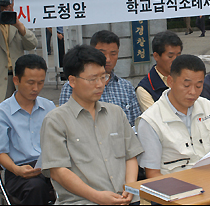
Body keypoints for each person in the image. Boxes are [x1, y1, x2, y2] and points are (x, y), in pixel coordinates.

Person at [40, 45, 144, 204]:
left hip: (124, 199)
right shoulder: (56, 120)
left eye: (103, 77)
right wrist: (97, 197)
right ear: (72, 81)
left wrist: (129, 188)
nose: (100, 84)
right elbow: (58, 171)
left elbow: (131, 156)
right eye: (92, 79)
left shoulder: (116, 113)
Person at [136, 54, 210, 177]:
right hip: (177, 187)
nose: (193, 92)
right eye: (186, 85)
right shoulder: (150, 121)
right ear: (170, 81)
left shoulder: (207, 106)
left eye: (199, 86)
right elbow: (153, 174)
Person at [0, 54, 56, 205]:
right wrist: (16, 170)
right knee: (36, 187)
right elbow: (0, 152)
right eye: (30, 83)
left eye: (40, 83)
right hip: (18, 171)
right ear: (16, 80)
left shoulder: (48, 107)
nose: (36, 88)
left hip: (50, 166)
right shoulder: (2, 113)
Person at [59, 30, 142, 126]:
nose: (108, 59)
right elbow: (65, 122)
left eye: (113, 54)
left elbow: (136, 125)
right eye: (102, 53)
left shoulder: (126, 87)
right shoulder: (73, 85)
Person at [0, 0, 38, 108]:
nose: (7, 5)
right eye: (2, 1)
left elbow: (32, 44)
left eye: (10, 1)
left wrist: (19, 26)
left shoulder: (15, 23)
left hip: (16, 80)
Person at [136, 31, 183, 112]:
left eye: (178, 55)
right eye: (170, 56)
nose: (176, 60)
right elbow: (155, 120)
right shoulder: (144, 89)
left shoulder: (185, 79)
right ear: (156, 56)